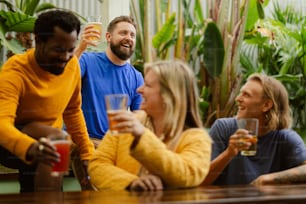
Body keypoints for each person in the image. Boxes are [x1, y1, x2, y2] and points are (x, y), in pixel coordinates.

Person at [0, 10, 94, 192]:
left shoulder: (72, 65)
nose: (65, 57)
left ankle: (50, 196)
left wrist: (87, 151)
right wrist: (31, 147)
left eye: (70, 50)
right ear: (39, 42)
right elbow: (2, 124)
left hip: (46, 140)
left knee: (55, 147)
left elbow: (73, 111)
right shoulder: (16, 70)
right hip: (8, 140)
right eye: (58, 49)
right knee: (57, 138)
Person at [88, 59, 212, 191]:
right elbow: (97, 165)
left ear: (168, 95)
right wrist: (132, 182)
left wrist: (142, 136)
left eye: (147, 85)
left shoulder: (197, 138)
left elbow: (188, 174)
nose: (139, 90)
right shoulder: (126, 125)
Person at [202, 73, 306, 186]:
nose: (238, 98)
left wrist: (268, 179)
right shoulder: (223, 128)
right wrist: (229, 153)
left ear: (266, 105)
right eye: (241, 93)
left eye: (246, 95)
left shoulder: (285, 138)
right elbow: (201, 180)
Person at [74, 15, 144, 146]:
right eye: (123, 33)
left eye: (132, 35)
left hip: (114, 145)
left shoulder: (136, 77)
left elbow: (140, 117)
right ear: (108, 37)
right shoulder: (87, 61)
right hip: (84, 141)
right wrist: (80, 48)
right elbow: (63, 76)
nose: (128, 38)